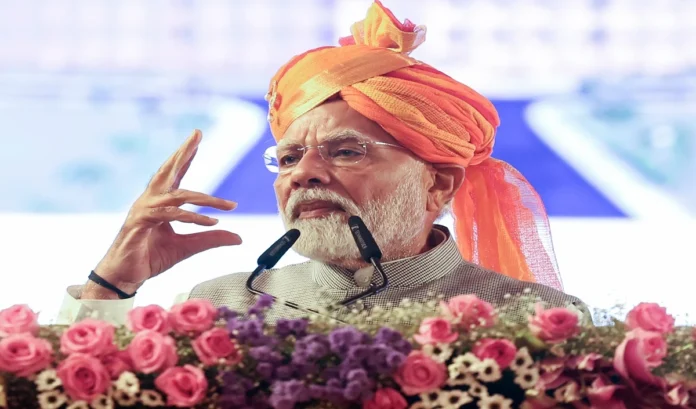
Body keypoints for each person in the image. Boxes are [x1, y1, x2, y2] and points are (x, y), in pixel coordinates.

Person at [58, 1, 590, 325]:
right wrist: (112, 283)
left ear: (438, 183)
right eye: (288, 157)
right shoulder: (218, 305)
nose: (303, 174)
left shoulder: (535, 317)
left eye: (346, 151)